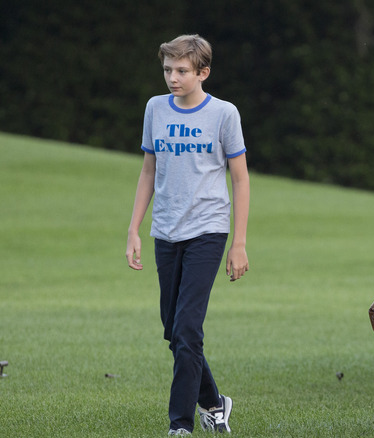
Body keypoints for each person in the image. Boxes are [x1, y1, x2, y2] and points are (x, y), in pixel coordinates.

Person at [125, 34, 250, 436]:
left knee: (187, 329)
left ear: (202, 72)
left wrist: (239, 243)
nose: (172, 78)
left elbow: (241, 179)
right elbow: (148, 170)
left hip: (207, 231)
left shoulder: (224, 114)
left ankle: (180, 425)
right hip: (165, 230)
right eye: (167, 70)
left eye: (181, 71)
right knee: (172, 329)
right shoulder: (155, 108)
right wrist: (134, 229)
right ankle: (215, 403)